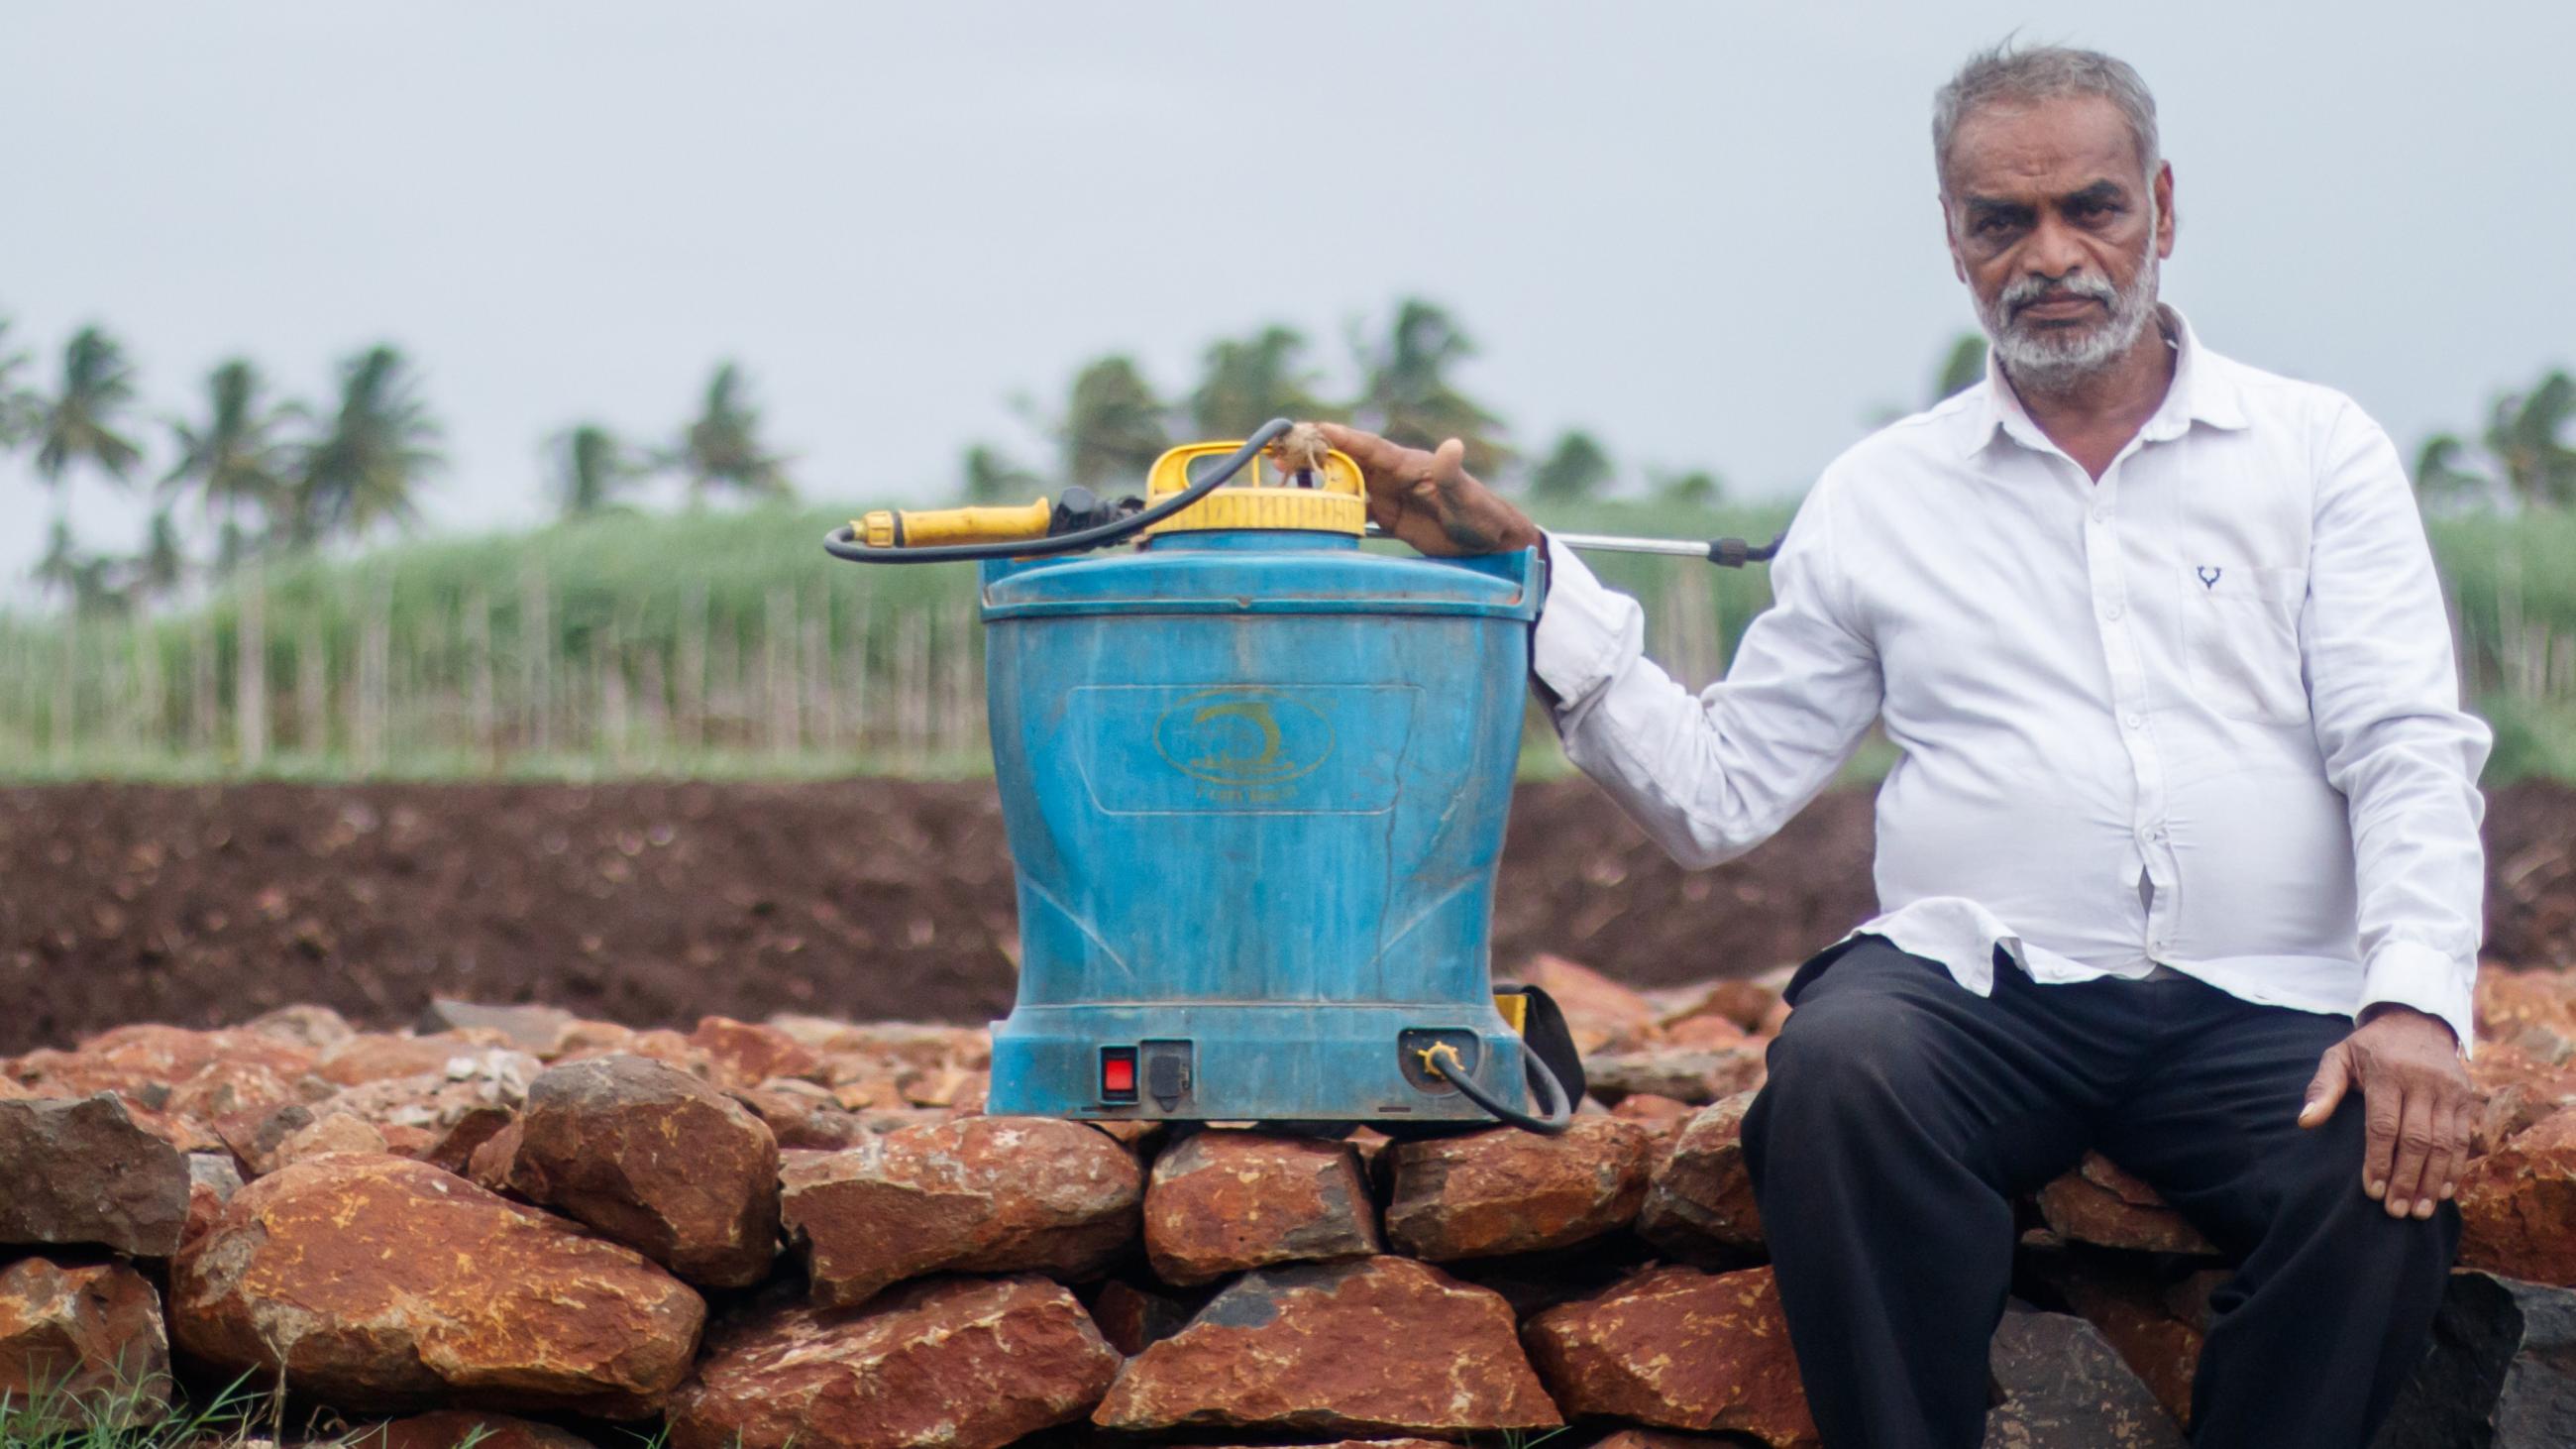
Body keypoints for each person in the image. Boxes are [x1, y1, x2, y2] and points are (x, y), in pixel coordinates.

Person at [1317, 40, 2487, 1449]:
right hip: (1987, 992)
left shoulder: (2316, 451)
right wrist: (1533, 580)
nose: (2052, 254)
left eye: (2092, 209)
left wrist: (2415, 995)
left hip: (2270, 998)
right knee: (1840, 1072)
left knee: (2381, 1175)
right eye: (2005, 221)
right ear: (1955, 240)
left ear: (2163, 211)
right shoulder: (1880, 494)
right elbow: (1718, 792)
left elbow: (2407, 740)